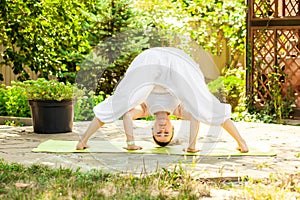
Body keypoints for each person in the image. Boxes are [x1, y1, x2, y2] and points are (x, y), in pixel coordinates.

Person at [76, 47, 248, 153]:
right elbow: (196, 115)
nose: (163, 129)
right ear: (173, 127)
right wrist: (192, 145)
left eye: (159, 133)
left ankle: (82, 141)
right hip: (177, 64)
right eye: (167, 133)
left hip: (149, 62)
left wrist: (131, 143)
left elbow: (127, 116)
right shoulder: (178, 111)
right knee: (203, 106)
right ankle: (242, 142)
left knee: (120, 102)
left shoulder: (144, 110)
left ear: (152, 129)